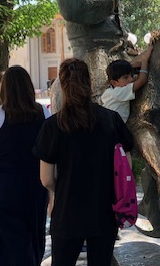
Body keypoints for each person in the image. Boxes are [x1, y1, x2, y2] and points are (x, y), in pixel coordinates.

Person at [34, 58, 134, 266]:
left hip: (66, 213)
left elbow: (46, 179)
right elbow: (127, 165)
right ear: (89, 82)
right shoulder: (111, 120)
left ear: (62, 86)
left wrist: (61, 190)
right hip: (104, 212)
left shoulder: (53, 125)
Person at [0, 66, 50, 266]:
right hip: (36, 181)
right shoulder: (43, 112)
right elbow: (48, 152)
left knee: (9, 238)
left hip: (7, 184)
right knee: (34, 232)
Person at [102, 46, 152, 123]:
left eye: (131, 75)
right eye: (126, 77)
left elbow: (133, 78)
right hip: (115, 128)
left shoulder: (109, 92)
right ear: (114, 82)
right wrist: (144, 60)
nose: (131, 79)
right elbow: (142, 80)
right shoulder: (119, 92)